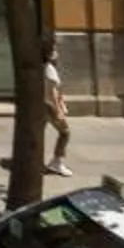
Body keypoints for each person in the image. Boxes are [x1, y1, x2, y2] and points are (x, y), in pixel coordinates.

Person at [43, 35, 73, 177]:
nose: (57, 52)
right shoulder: (49, 69)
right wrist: (58, 110)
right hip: (49, 106)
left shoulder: (44, 67)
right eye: (54, 49)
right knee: (65, 133)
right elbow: (52, 92)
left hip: (43, 105)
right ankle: (57, 162)